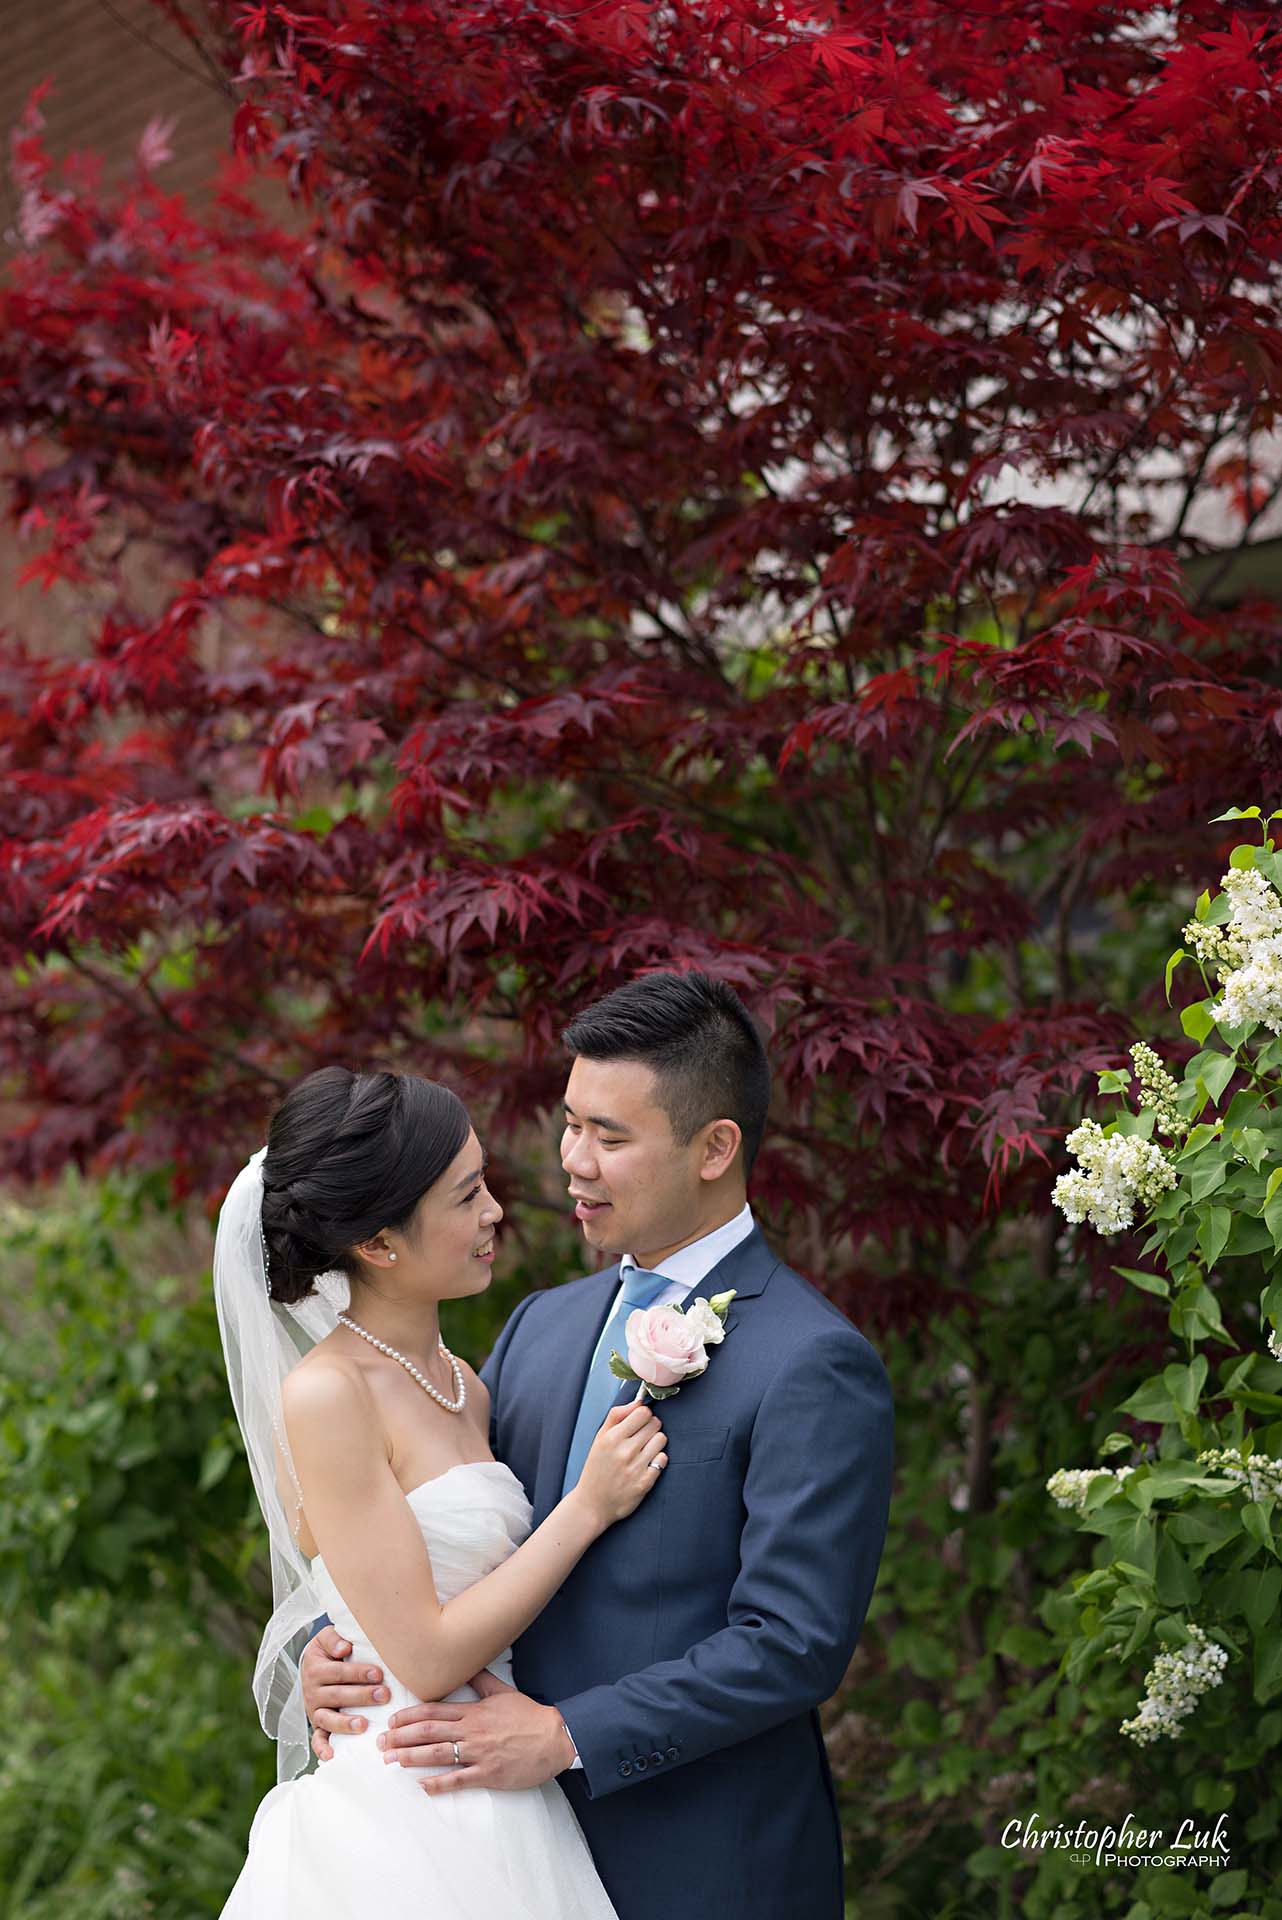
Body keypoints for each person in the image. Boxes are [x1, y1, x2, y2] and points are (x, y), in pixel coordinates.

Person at [302, 972, 895, 1920]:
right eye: (571, 1123)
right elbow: (448, 1541)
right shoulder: (538, 1325)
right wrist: (340, 1652)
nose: (572, 1160)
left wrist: (566, 1735)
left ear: (715, 1148)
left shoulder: (812, 1361)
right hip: (500, 1853)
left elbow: (792, 1645)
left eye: (609, 1137)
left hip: (701, 1861)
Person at [213, 1063, 671, 1919]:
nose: (495, 1210)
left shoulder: (462, 1380)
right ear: (380, 1244)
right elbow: (421, 1656)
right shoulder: (327, 1393)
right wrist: (587, 1508)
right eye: (465, 1197)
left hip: (500, 1777)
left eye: (484, 1182)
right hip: (402, 1798)